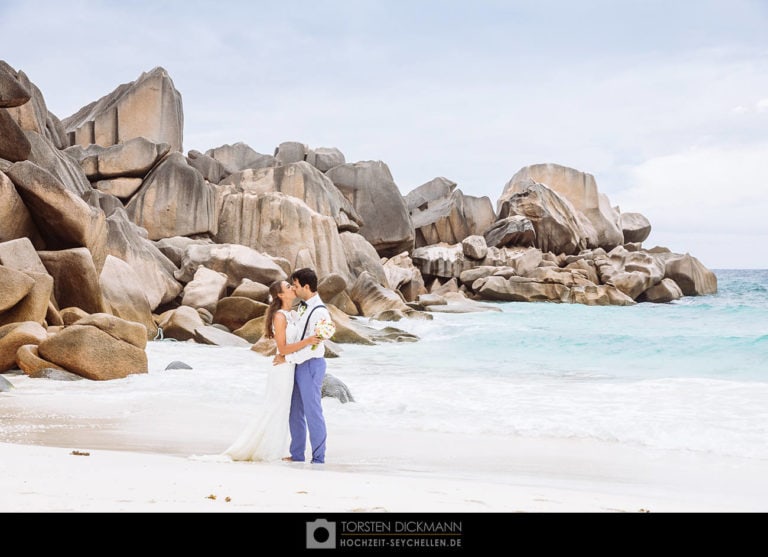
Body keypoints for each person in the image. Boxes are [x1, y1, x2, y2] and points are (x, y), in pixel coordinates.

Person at [223, 279, 320, 462]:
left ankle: (276, 449)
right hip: (282, 369)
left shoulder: (292, 314)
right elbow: (282, 349)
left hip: (291, 366)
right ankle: (268, 451)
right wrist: (308, 342)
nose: (292, 288)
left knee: (283, 409)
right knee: (276, 408)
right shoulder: (279, 316)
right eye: (288, 287)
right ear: (281, 295)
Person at [274, 267, 333, 464]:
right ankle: (297, 453)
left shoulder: (320, 312)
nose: (295, 289)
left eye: (297, 286)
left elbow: (314, 347)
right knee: (295, 410)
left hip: (311, 364)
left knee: (312, 410)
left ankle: (318, 457)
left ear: (306, 286)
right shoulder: (302, 307)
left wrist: (288, 358)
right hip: (298, 365)